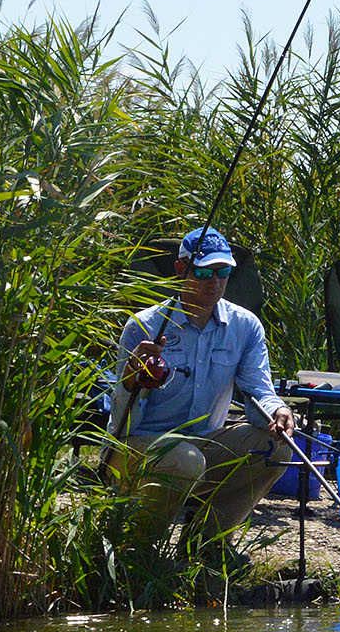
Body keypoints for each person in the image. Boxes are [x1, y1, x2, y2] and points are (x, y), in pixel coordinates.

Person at [108, 226, 295, 540]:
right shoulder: (143, 326)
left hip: (205, 444)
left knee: (274, 447)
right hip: (138, 447)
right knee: (185, 461)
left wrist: (277, 410)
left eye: (223, 271)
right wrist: (131, 380)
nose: (216, 281)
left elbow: (258, 390)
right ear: (181, 269)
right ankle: (137, 547)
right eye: (204, 272)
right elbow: (123, 423)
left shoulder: (246, 326)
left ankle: (206, 546)